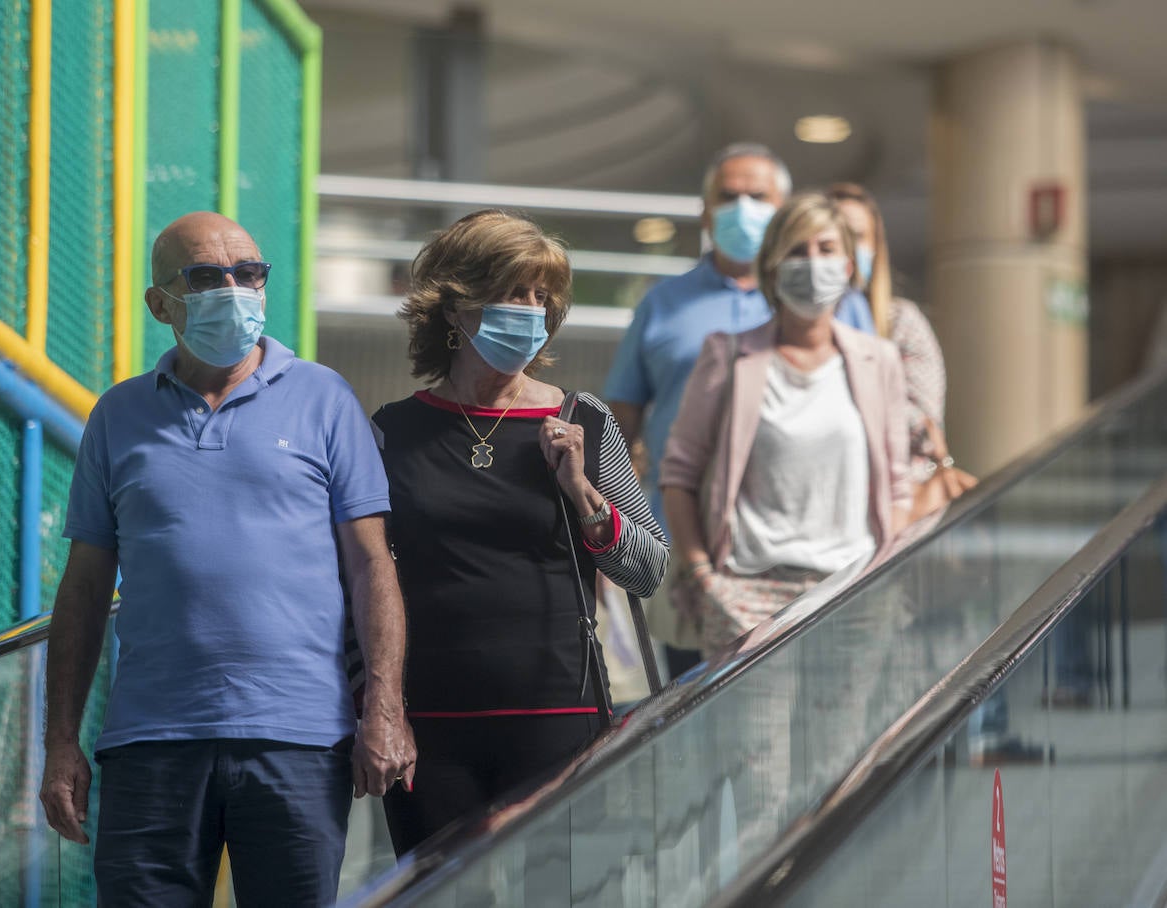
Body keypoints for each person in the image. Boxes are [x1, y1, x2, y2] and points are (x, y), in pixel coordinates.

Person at [38, 211, 415, 906]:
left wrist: (384, 709)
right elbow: (85, 590)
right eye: (207, 277)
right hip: (150, 739)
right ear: (161, 305)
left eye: (249, 273)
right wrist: (61, 742)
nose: (234, 290)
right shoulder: (117, 415)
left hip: (299, 739)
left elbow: (372, 567)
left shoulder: (325, 399)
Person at [374, 209, 669, 856]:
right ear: (455, 308)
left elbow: (647, 568)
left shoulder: (581, 419)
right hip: (430, 725)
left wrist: (582, 492)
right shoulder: (392, 430)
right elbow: (366, 576)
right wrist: (377, 706)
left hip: (557, 718)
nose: (530, 311)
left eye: (540, 296)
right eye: (512, 293)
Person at [603, 143, 875, 675]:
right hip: (689, 550)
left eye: (758, 196)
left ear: (784, 208)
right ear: (706, 212)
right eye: (729, 197)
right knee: (703, 725)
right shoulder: (663, 304)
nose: (743, 208)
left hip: (827, 556)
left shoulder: (842, 305)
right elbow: (619, 427)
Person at [660, 192, 911, 657]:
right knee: (751, 733)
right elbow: (679, 476)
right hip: (746, 596)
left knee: (844, 733)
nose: (812, 263)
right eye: (796, 250)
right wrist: (703, 576)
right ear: (772, 267)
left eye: (826, 248)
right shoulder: (729, 355)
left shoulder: (880, 361)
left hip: (854, 592)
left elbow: (897, 484)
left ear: (850, 265)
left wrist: (883, 570)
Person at [826, 182, 975, 518]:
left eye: (857, 237)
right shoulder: (774, 333)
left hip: (893, 513)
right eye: (834, 237)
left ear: (876, 247)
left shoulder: (900, 322)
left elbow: (923, 427)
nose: (845, 251)